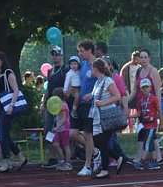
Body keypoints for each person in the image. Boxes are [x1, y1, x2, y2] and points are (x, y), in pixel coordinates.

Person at [0, 52, 28, 172]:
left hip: (8, 108)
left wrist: (11, 105)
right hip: (0, 108)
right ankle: (20, 158)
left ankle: (6, 162)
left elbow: (16, 90)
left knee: (2, 136)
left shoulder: (8, 73)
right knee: (5, 136)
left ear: (2, 60)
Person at [87, 58, 123, 179]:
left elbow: (117, 96)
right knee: (100, 142)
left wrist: (103, 103)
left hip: (107, 116)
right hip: (98, 116)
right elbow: (98, 95)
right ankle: (118, 158)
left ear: (96, 69)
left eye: (92, 68)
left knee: (100, 141)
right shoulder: (98, 81)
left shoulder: (108, 80)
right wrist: (90, 96)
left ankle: (105, 169)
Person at [74, 40, 100, 177]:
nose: (80, 53)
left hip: (91, 105)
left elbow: (104, 82)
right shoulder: (82, 65)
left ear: (90, 50)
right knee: (73, 133)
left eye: (82, 51)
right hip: (80, 103)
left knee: (88, 134)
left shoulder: (97, 64)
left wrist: (93, 94)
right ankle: (96, 152)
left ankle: (87, 165)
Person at [41, 46, 67, 169]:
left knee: (63, 131)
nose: (54, 57)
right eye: (53, 54)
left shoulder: (65, 69)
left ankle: (66, 157)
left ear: (61, 55)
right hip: (50, 105)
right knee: (48, 130)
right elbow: (48, 89)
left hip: (61, 105)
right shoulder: (50, 71)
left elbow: (67, 87)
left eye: (57, 54)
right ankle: (53, 158)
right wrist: (43, 104)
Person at [132, 79, 160, 170]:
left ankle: (141, 161)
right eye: (143, 87)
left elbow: (159, 110)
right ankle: (155, 161)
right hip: (144, 125)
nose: (145, 89)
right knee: (150, 144)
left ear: (150, 88)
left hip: (152, 125)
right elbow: (139, 113)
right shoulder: (140, 100)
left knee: (146, 143)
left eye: (146, 87)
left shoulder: (154, 99)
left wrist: (162, 122)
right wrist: (129, 116)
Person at [47, 87, 72, 171]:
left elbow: (64, 118)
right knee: (56, 144)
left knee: (66, 146)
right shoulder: (58, 105)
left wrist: (57, 127)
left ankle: (68, 163)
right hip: (58, 128)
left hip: (64, 128)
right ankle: (61, 160)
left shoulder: (63, 105)